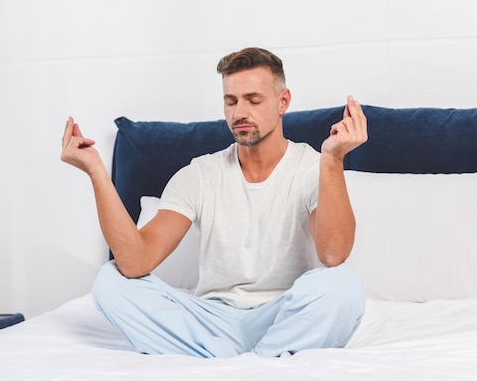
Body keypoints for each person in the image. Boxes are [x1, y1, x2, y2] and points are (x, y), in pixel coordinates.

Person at [61, 47, 368, 358]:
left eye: (253, 100)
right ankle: (261, 361)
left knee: (345, 285)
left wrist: (332, 159)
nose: (239, 113)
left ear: (283, 101)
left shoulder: (312, 168)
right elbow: (136, 262)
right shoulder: (200, 175)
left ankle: (238, 363)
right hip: (210, 322)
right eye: (231, 101)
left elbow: (333, 254)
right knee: (108, 283)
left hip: (286, 315)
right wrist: (97, 172)